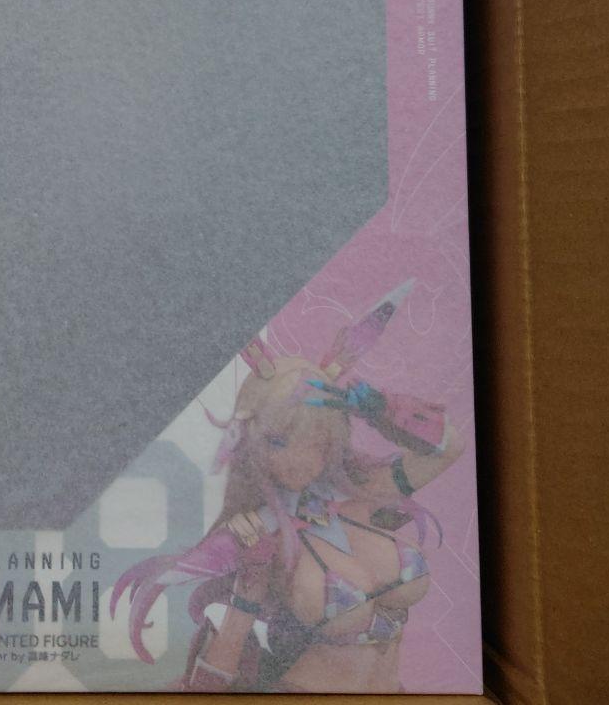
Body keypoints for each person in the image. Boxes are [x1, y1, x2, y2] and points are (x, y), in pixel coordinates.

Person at [111, 291, 464, 693]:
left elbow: (450, 448)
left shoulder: (361, 492)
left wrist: (384, 410)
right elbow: (210, 683)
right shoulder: (254, 535)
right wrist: (249, 584)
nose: (301, 458)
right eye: (280, 441)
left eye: (317, 439)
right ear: (251, 442)